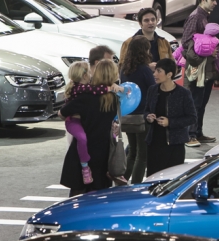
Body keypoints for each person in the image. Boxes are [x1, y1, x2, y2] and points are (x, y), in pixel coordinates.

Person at [59, 59, 119, 196]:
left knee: (77, 199)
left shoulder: (85, 97)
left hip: (82, 153)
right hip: (103, 154)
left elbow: (62, 113)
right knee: (99, 198)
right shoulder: (114, 99)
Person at [145, 58, 196, 176]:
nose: (155, 74)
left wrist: (170, 122)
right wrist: (148, 117)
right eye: (155, 71)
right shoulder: (152, 90)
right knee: (153, 177)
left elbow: (192, 118)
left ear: (169, 74)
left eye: (158, 71)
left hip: (174, 144)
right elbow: (146, 110)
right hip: (154, 142)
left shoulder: (183, 93)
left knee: (172, 178)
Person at [181, 0, 219, 146]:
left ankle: (198, 132)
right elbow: (185, 42)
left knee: (201, 102)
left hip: (206, 66)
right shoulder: (196, 16)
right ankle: (190, 135)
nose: (215, 3)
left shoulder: (203, 16)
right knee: (194, 101)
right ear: (202, 0)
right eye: (213, 0)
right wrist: (199, 57)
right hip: (197, 67)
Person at [119, 36, 155, 184]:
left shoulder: (124, 69)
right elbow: (153, 89)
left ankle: (123, 179)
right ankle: (136, 185)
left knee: (132, 151)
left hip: (128, 115)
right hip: (143, 115)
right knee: (142, 154)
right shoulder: (144, 70)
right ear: (143, 50)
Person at [63, 61, 95, 184]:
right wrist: (109, 87)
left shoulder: (85, 86)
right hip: (73, 121)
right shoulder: (79, 88)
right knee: (82, 139)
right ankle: (85, 166)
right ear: (84, 75)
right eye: (90, 72)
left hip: (81, 120)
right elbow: (96, 89)